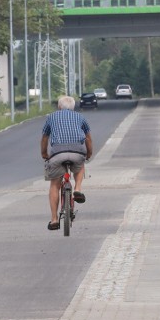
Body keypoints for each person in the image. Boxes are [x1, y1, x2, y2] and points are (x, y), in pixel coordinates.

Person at [41, 95, 93, 230]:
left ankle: (53, 220)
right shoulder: (80, 117)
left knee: (54, 185)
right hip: (77, 151)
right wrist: (89, 153)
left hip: (57, 154)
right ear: (73, 107)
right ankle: (77, 189)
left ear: (59, 107)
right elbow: (88, 138)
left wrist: (44, 154)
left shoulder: (51, 117)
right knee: (80, 166)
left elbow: (45, 138)